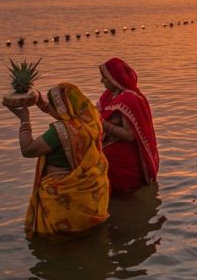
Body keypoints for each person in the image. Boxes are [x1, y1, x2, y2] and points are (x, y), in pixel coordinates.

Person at [11, 83, 110, 239]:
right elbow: (60, 113)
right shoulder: (92, 119)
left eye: (54, 104)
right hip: (89, 195)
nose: (51, 108)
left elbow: (28, 150)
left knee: (55, 242)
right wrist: (40, 102)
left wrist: (24, 120)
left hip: (61, 196)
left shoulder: (60, 131)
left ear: (63, 107)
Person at [98, 58, 159, 196]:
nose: (102, 81)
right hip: (111, 156)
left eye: (104, 78)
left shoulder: (129, 99)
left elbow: (130, 135)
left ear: (114, 78)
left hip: (124, 161)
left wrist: (103, 124)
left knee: (126, 198)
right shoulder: (109, 95)